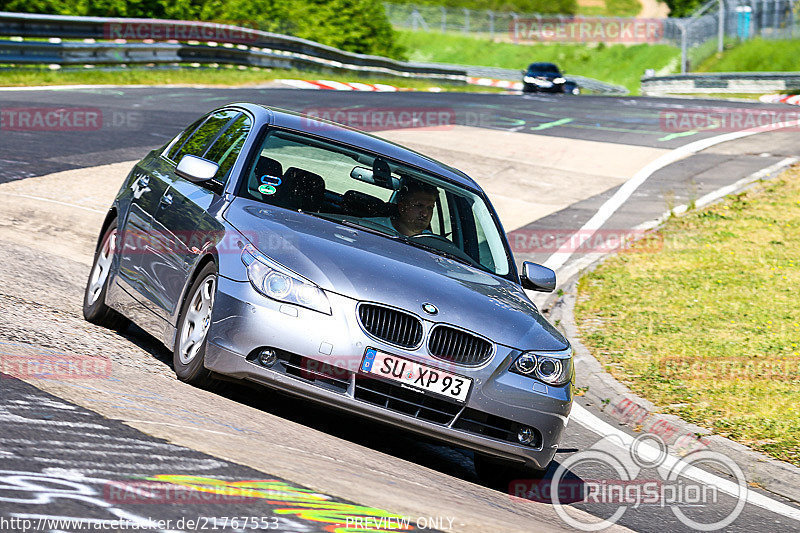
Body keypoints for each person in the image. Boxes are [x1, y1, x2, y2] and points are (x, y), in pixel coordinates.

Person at [368, 181, 438, 237]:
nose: (425, 213)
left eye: (430, 207)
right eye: (419, 205)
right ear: (402, 208)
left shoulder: (433, 243)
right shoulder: (370, 227)